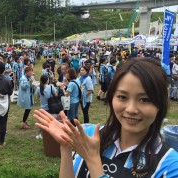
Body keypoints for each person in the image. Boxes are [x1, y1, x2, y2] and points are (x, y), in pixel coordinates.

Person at [34, 58, 178, 178]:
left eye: (145, 100)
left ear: (160, 104)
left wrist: (93, 160)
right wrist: (65, 147)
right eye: (122, 97)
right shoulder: (88, 135)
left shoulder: (170, 166)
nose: (131, 109)